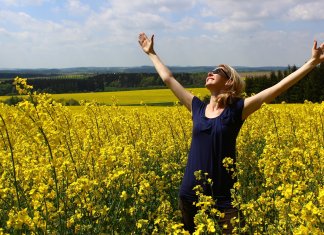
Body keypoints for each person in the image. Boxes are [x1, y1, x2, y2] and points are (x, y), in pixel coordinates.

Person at [138, 32, 324, 234]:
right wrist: (151, 53)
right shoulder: (197, 108)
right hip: (190, 196)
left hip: (224, 200)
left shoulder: (236, 110)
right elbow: (168, 78)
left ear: (229, 82)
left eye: (218, 71)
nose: (210, 72)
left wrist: (312, 63)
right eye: (210, 70)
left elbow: (277, 88)